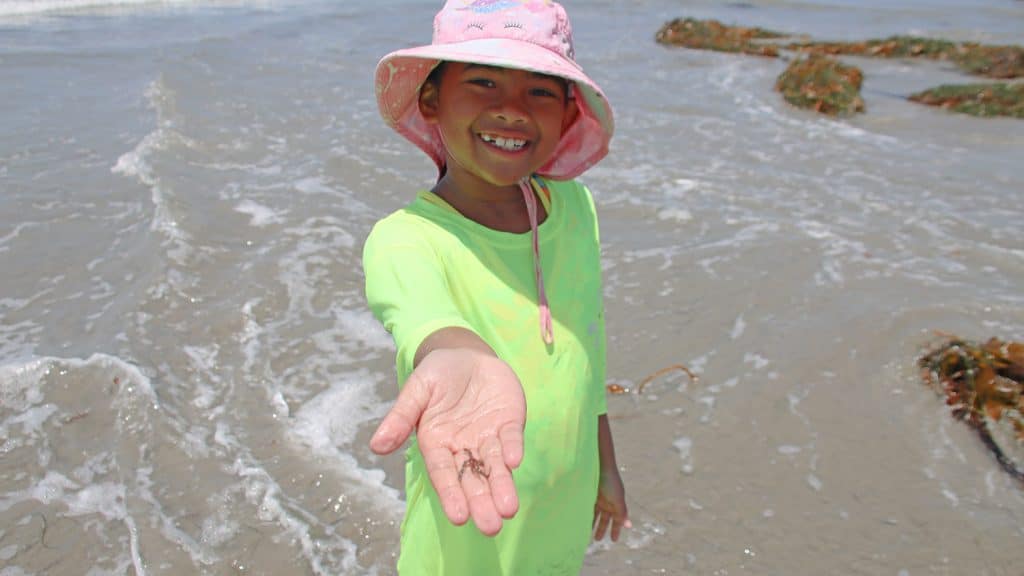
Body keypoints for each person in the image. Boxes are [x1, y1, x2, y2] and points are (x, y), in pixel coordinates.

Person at [363, 0, 629, 573]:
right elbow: (424, 318)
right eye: (483, 82)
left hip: (560, 520)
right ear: (431, 98)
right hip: (466, 531)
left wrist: (605, 466)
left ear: (566, 112)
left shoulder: (576, 208)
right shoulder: (408, 239)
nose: (511, 110)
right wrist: (456, 352)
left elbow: (588, 344)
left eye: (540, 91)